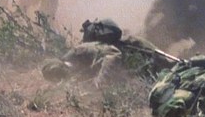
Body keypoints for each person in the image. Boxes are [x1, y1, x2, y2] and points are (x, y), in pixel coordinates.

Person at [42, 19, 173, 88]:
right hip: (140, 66)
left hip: (144, 54)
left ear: (65, 66)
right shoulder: (77, 59)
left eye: (60, 77)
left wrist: (100, 83)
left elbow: (113, 54)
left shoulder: (81, 51)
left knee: (174, 70)